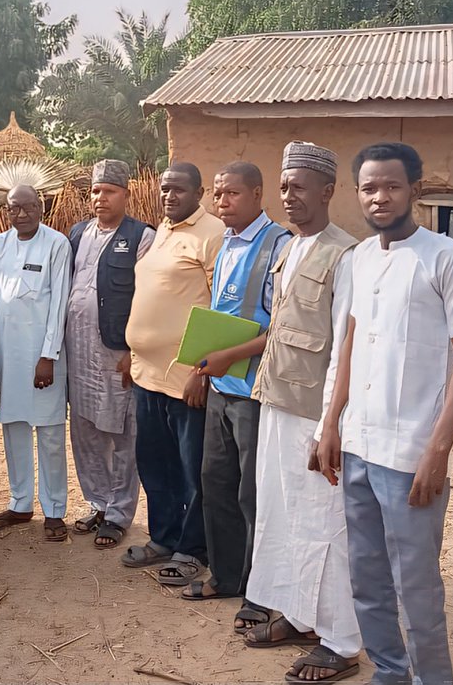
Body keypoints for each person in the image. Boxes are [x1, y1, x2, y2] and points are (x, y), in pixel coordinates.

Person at [317, 142, 453, 685]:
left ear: (415, 188)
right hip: (359, 445)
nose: (380, 197)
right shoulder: (359, 260)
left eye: (391, 185)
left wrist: (438, 450)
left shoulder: (446, 257)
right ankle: (389, 672)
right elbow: (349, 346)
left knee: (415, 584)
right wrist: (330, 424)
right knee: (366, 578)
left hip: (411, 452)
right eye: (369, 187)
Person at [241, 143, 361, 681]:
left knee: (323, 522)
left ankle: (340, 641)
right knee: (281, 512)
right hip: (278, 401)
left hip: (316, 414)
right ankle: (298, 612)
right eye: (284, 187)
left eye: (300, 187)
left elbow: (345, 350)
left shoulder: (347, 256)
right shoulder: (291, 248)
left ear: (328, 191)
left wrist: (330, 424)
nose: (289, 197)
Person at [180, 162, 290, 614]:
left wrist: (228, 357)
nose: (221, 202)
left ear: (258, 193)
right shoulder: (225, 242)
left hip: (254, 389)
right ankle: (226, 576)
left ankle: (260, 591)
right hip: (221, 386)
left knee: (252, 492)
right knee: (216, 483)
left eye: (231, 194)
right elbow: (219, 315)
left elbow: (282, 325)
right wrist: (203, 368)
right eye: (218, 194)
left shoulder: (278, 245)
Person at [120, 163, 224, 578]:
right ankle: (164, 537)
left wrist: (204, 371)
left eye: (179, 190)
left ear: (200, 192)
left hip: (186, 379)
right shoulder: (161, 231)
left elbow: (220, 306)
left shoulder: (213, 234)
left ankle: (193, 550)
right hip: (147, 376)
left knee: (192, 468)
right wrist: (133, 350)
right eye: (165, 189)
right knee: (154, 463)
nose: (169, 196)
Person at [65, 159, 153, 549]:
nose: (101, 198)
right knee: (85, 431)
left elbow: (148, 299)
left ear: (126, 195)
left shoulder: (141, 237)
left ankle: (118, 514)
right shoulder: (77, 233)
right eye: (96, 191)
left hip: (114, 351)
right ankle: (98, 503)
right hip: (77, 349)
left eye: (110, 191)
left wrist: (134, 349)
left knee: (122, 432)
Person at [0, 184, 73, 542]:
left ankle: (55, 510)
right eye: (13, 208)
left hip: (44, 358)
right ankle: (20, 503)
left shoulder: (56, 244)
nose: (20, 214)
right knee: (14, 426)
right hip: (8, 354)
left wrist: (48, 356)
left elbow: (59, 302)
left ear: (41, 208)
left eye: (27, 207)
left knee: (49, 434)